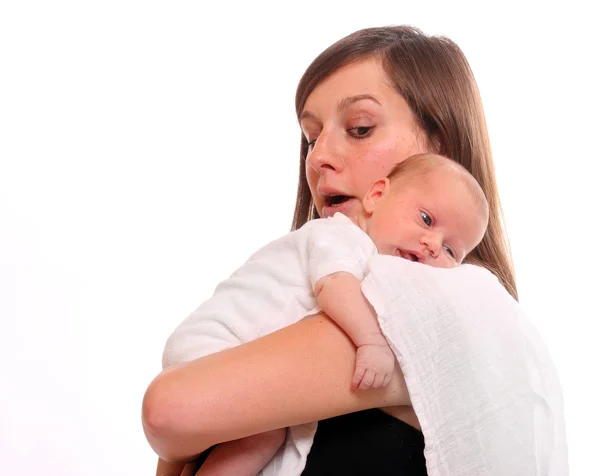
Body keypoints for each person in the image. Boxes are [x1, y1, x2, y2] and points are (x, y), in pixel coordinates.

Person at [142, 25, 568, 476]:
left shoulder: (435, 300)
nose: (319, 155)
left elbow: (170, 409)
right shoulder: (329, 281)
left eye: (360, 128)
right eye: (311, 136)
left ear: (437, 147)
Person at [159, 153, 489, 476]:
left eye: (450, 250)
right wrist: (372, 342)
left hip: (213, 357)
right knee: (263, 434)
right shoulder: (343, 236)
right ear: (377, 196)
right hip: (214, 343)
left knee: (219, 447)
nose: (433, 244)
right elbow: (333, 287)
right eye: (426, 219)